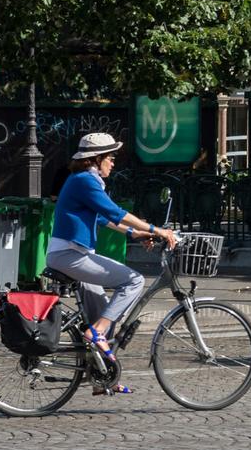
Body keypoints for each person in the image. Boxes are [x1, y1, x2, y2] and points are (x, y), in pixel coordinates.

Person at [45, 133, 177, 383]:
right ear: (97, 159)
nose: (113, 162)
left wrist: (134, 233)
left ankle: (97, 374)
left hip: (73, 254)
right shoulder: (85, 180)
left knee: (106, 312)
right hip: (70, 256)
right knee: (133, 281)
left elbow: (102, 218)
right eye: (111, 157)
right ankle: (97, 332)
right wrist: (155, 229)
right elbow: (114, 212)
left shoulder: (83, 180)